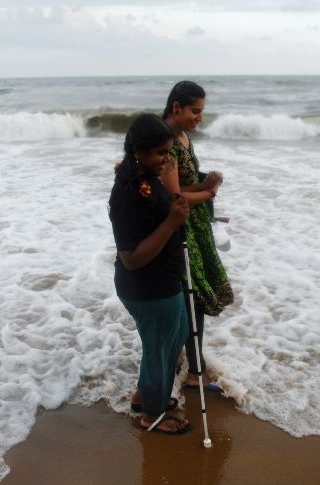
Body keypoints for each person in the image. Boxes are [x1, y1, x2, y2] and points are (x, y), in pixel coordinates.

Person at [109, 113, 192, 434]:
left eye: (168, 151)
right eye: (159, 153)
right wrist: (172, 221)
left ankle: (146, 395)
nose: (165, 159)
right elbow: (131, 258)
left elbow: (159, 213)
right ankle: (153, 415)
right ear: (138, 151)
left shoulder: (147, 180)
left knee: (174, 337)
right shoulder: (127, 194)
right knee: (160, 348)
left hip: (164, 281)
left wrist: (173, 201)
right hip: (147, 286)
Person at [160, 81, 234, 392]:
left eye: (202, 111)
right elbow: (173, 195)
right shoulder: (166, 142)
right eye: (195, 111)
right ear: (177, 107)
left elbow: (186, 183)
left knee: (194, 298)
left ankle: (188, 362)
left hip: (197, 225)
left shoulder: (184, 137)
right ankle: (194, 371)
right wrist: (208, 191)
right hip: (181, 229)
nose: (199, 117)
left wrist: (207, 181)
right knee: (193, 298)